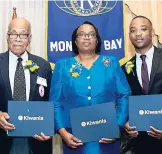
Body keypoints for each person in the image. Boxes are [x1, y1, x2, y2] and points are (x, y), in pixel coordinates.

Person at [49, 21, 131, 154]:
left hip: (107, 138)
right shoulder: (62, 66)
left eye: (91, 34)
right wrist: (62, 132)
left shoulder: (111, 63)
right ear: (75, 41)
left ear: (97, 40)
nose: (87, 37)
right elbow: (55, 102)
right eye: (82, 34)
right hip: (74, 139)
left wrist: (117, 126)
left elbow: (124, 95)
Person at [0, 17, 52, 154]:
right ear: (7, 37)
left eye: (23, 34)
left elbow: (52, 100)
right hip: (6, 136)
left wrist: (50, 127)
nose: (18, 38)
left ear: (30, 38)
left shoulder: (43, 65)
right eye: (13, 34)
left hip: (38, 137)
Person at [122, 15, 162, 154]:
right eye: (133, 30)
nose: (138, 34)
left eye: (143, 29)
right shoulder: (125, 68)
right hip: (139, 143)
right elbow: (124, 100)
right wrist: (125, 123)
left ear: (152, 32)